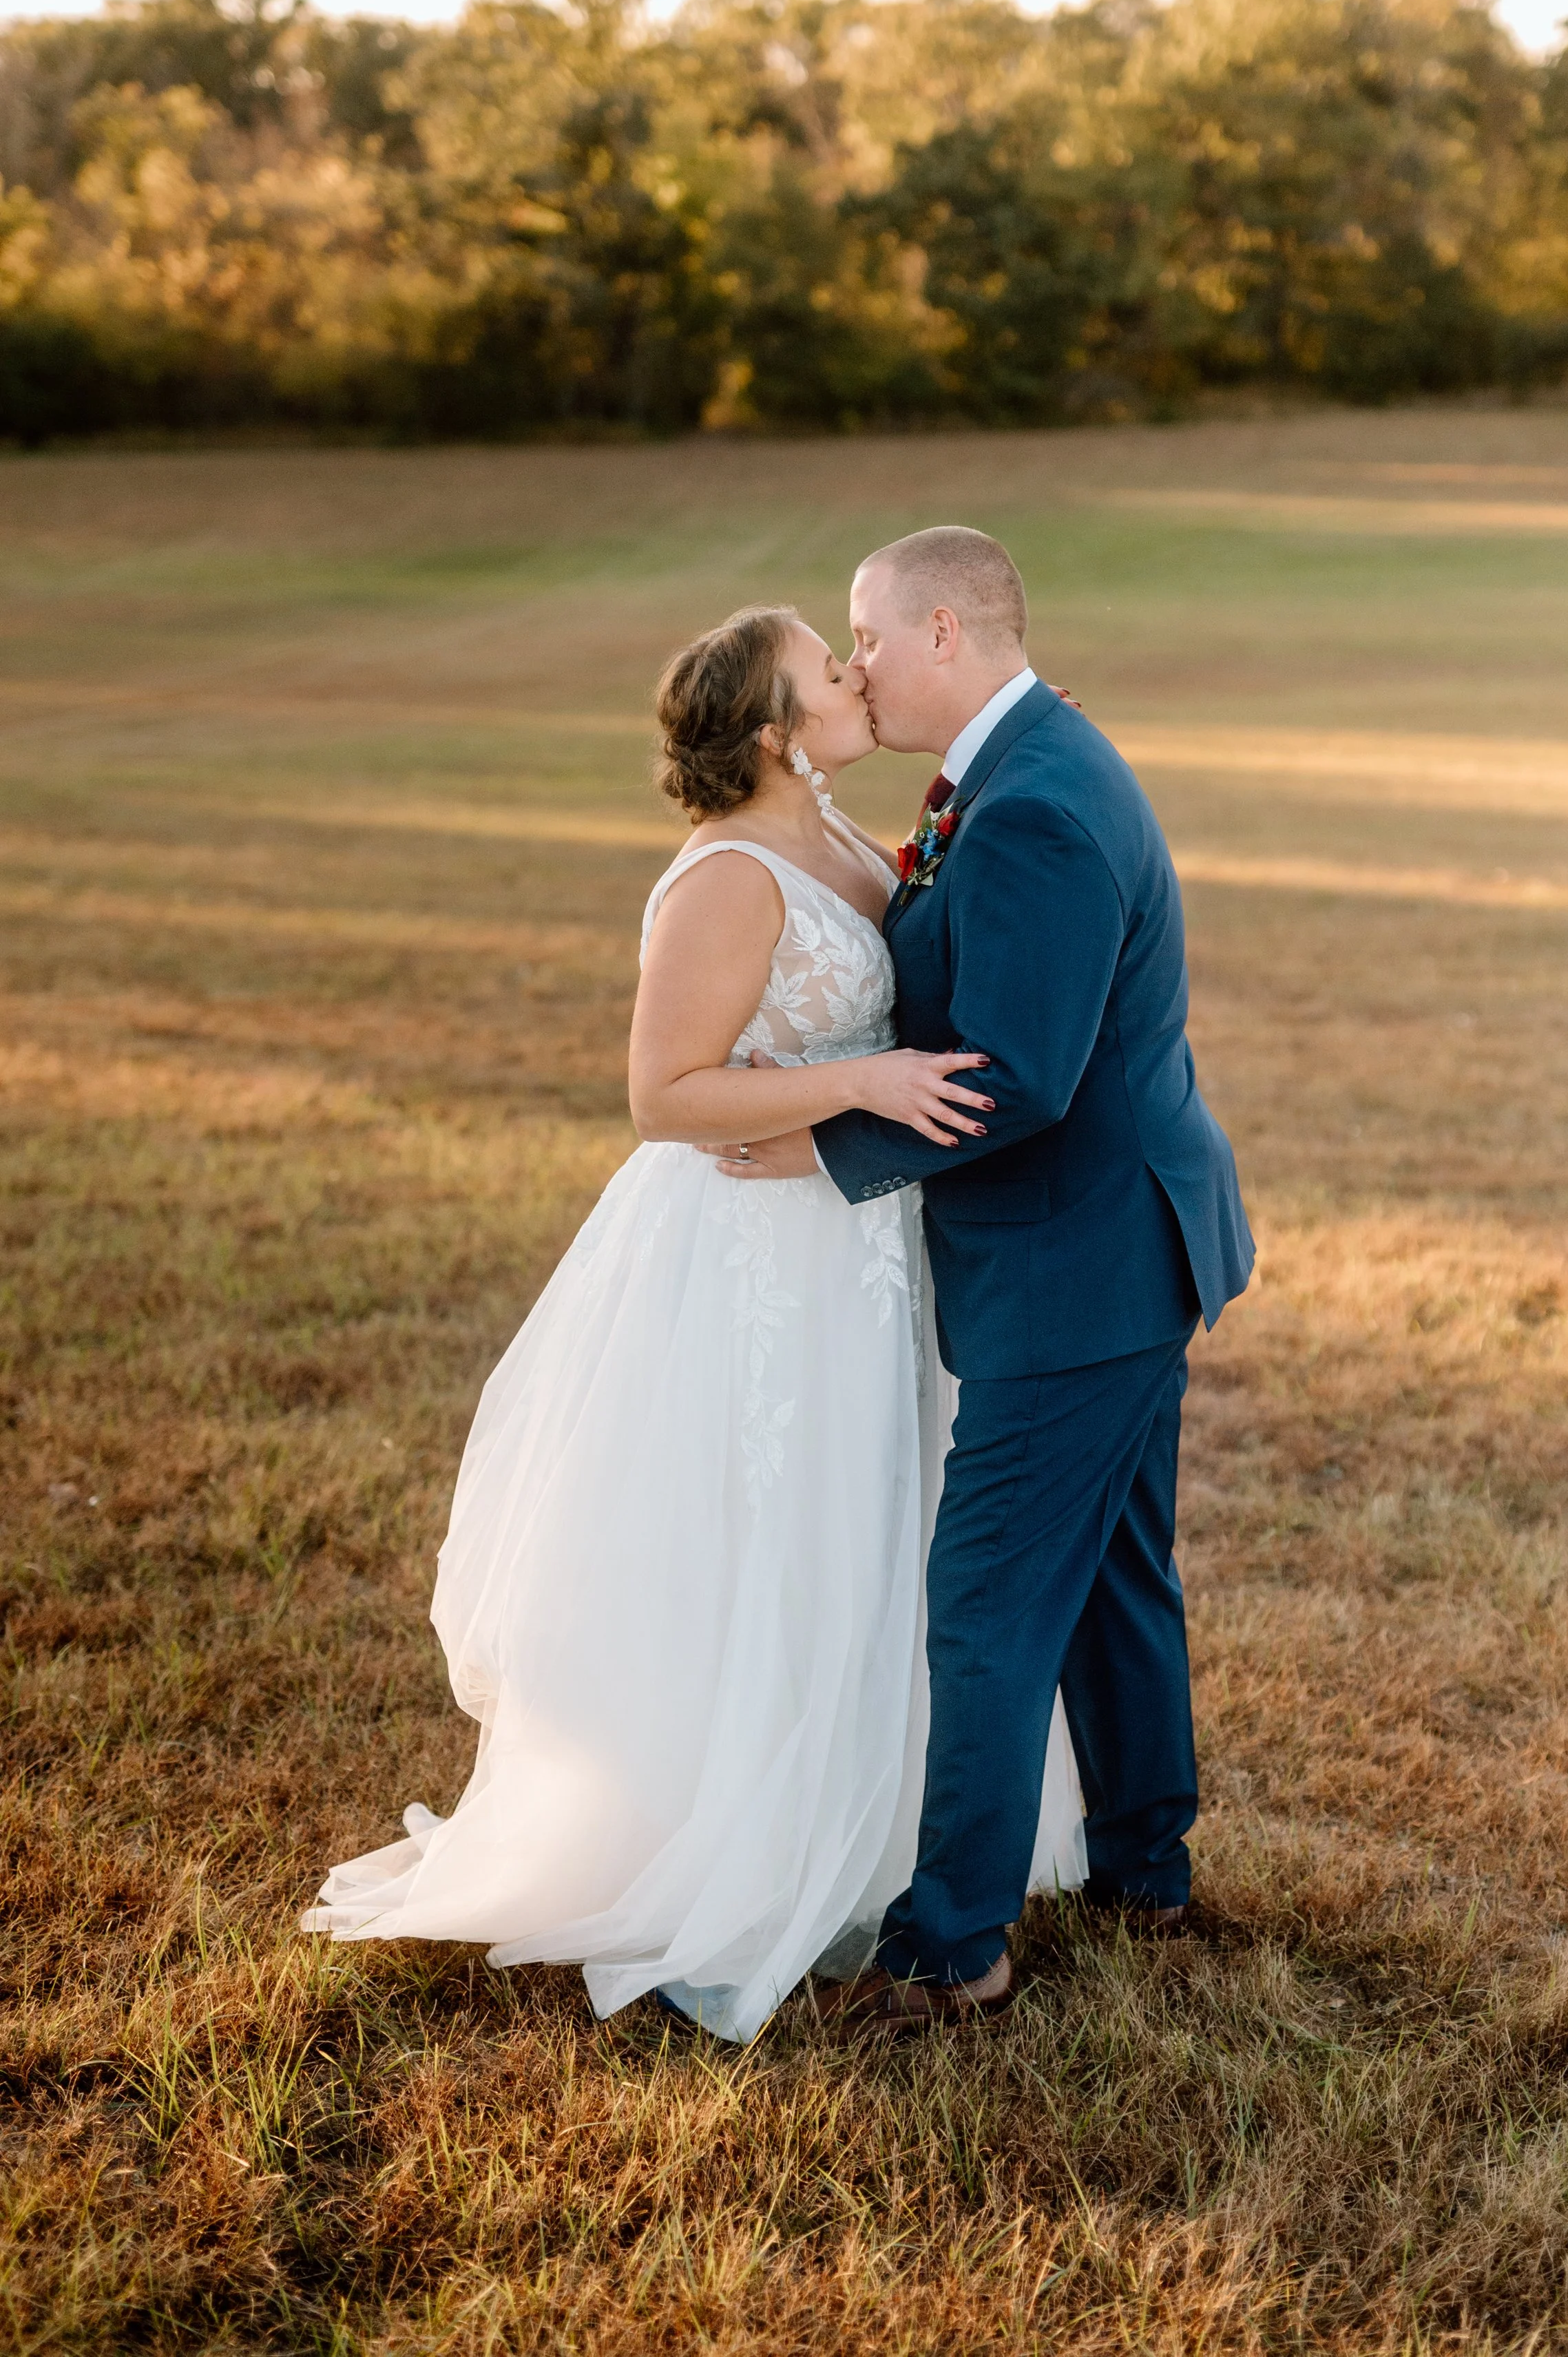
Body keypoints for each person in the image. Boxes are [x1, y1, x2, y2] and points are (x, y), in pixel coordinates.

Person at [303, 603, 1085, 2040]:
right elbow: (663, 1095)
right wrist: (859, 1086)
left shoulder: (848, 835)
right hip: (757, 1257)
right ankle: (738, 1843)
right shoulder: (721, 879)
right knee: (766, 1531)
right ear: (781, 734)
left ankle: (881, 1833)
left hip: (866, 1245)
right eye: (826, 668)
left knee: (875, 1524)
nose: (857, 674)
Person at [707, 528, 1255, 2031]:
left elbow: (1017, 1076)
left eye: (865, 634)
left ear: (941, 631)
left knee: (988, 1600)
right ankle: (1146, 1868)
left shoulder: (1034, 809)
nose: (854, 662)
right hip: (1124, 1245)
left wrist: (823, 1150)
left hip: (1078, 1267)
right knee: (1111, 1582)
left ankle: (950, 1946)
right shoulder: (1010, 770)